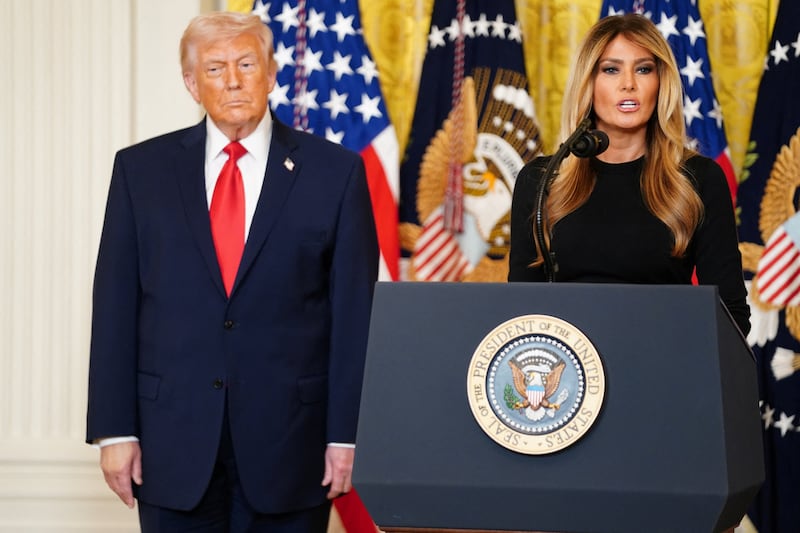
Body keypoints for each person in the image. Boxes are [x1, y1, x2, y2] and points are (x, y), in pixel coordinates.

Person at [86, 11, 378, 532]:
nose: (234, 81)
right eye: (215, 68)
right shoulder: (140, 171)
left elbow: (356, 316)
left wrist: (348, 435)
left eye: (246, 64)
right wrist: (114, 431)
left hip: (294, 448)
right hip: (170, 445)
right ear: (191, 83)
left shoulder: (336, 173)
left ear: (271, 74)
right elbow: (115, 305)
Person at [508, 13, 750, 336]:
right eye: (611, 69)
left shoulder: (699, 179)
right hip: (567, 364)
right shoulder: (540, 180)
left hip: (664, 358)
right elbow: (519, 314)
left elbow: (731, 316)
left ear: (661, 82)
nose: (628, 84)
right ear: (588, 82)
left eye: (643, 69)